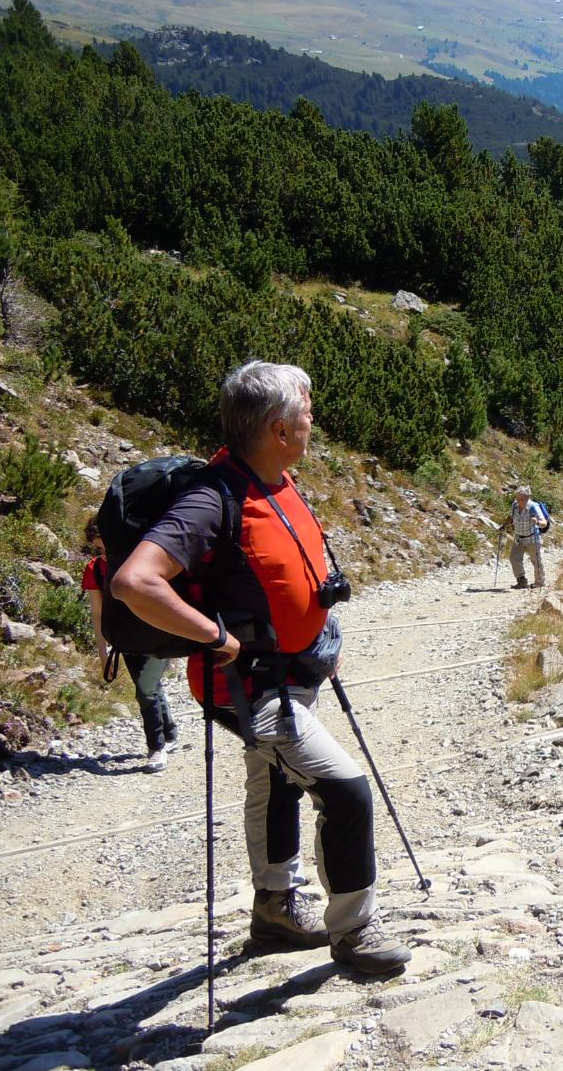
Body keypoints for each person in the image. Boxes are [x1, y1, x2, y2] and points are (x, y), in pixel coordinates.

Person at [110, 360, 411, 975]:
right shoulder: (211, 499)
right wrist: (213, 635)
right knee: (346, 791)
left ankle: (274, 906)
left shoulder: (273, 477)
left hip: (291, 672)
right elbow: (133, 581)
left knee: (275, 780)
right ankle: (354, 929)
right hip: (249, 687)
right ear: (278, 428)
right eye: (305, 410)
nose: (312, 419)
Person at [82, 519, 177, 771]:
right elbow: (97, 614)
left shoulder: (143, 561)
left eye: (106, 547)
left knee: (145, 690)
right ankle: (170, 734)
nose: (104, 554)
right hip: (126, 639)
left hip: (159, 634)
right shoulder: (95, 569)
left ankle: (156, 748)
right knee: (148, 685)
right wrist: (103, 655)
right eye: (99, 549)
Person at [499, 486, 548, 589]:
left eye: (522, 499)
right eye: (518, 498)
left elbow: (544, 523)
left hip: (532, 538)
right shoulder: (515, 505)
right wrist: (503, 526)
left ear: (528, 498)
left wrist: (538, 522)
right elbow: (511, 517)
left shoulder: (533, 507)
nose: (519, 501)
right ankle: (521, 581)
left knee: (536, 561)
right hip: (519, 538)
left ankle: (539, 583)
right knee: (514, 558)